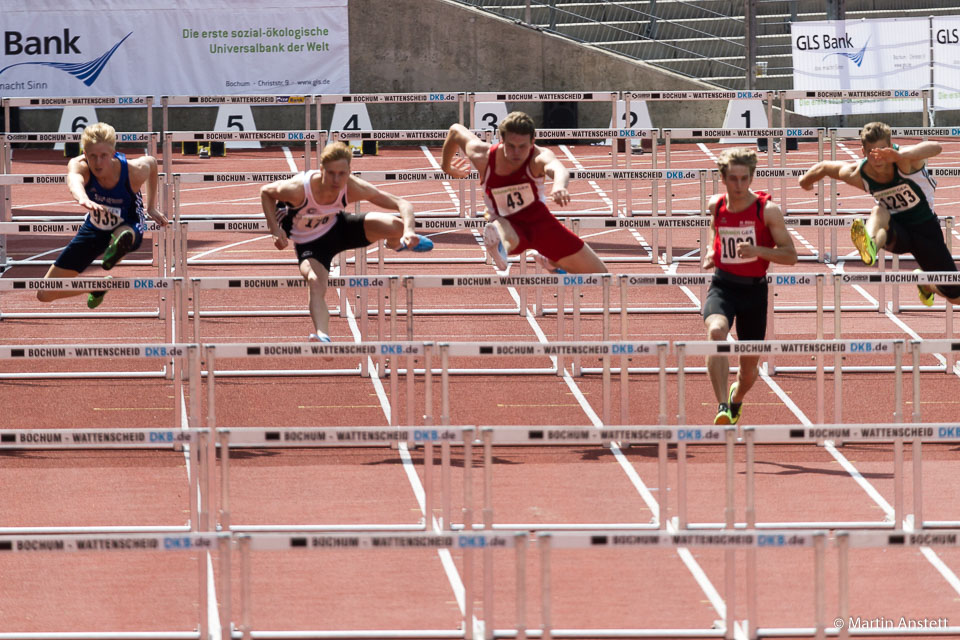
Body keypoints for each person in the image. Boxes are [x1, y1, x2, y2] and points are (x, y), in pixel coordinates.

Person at [260, 141, 433, 342]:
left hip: (337, 228)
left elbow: (403, 203)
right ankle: (322, 335)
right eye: (331, 173)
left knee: (396, 225)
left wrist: (409, 231)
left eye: (342, 174)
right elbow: (266, 193)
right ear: (321, 169)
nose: (336, 179)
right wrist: (275, 229)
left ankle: (397, 243)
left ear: (350, 171)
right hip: (309, 242)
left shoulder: (352, 186)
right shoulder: (298, 188)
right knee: (316, 282)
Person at [798, 121, 959, 306]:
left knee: (955, 296)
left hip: (925, 230)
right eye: (871, 153)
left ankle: (927, 284)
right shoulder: (858, 174)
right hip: (896, 229)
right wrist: (805, 181)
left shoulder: (905, 161)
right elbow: (825, 167)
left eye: (882, 151)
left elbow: (936, 147)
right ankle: (870, 245)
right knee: (878, 211)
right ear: (863, 153)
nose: (878, 159)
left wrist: (899, 154)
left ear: (890, 147)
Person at [440, 111, 606, 274]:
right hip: (508, 226)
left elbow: (557, 168)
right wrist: (446, 166)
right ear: (501, 140)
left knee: (599, 275)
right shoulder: (483, 156)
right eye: (511, 146)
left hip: (541, 225)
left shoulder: (538, 157)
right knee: (499, 226)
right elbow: (455, 130)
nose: (517, 153)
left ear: (533, 141)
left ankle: (551, 261)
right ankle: (499, 246)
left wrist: (559, 186)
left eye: (522, 146)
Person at [703, 148, 797, 425]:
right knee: (716, 331)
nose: (739, 185)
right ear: (723, 178)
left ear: (752, 177)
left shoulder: (767, 210)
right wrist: (712, 250)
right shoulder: (716, 205)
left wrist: (758, 250)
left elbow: (791, 255)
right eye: (733, 179)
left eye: (745, 179)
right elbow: (715, 228)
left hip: (754, 292)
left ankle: (735, 398)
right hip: (723, 285)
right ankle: (722, 406)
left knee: (748, 371)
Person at [38, 122, 167, 308]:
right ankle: (96, 286)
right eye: (92, 156)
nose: (98, 163)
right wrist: (82, 198)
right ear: (85, 154)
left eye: (103, 156)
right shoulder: (79, 165)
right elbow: (74, 180)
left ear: (113, 153)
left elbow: (153, 163)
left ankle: (118, 248)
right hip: (95, 226)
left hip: (128, 220)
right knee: (45, 293)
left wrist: (152, 207)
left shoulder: (133, 171)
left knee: (124, 235)